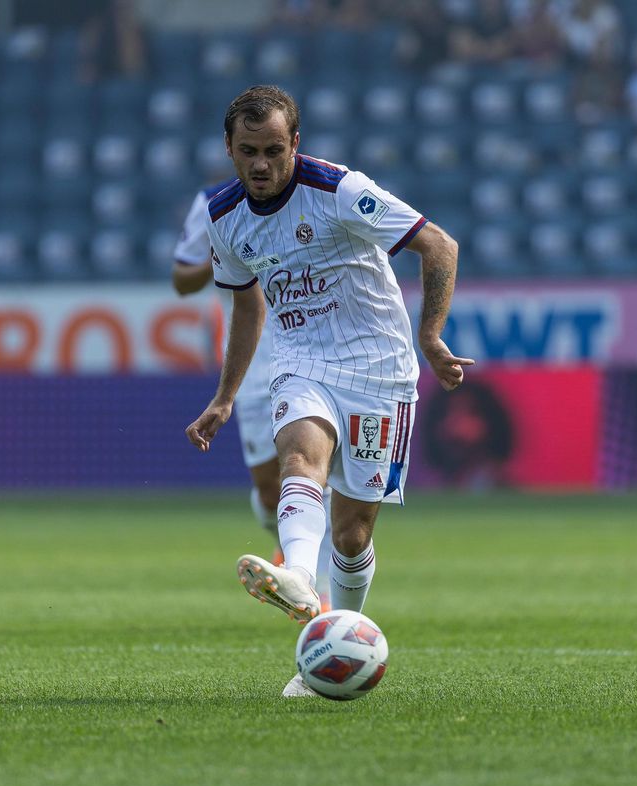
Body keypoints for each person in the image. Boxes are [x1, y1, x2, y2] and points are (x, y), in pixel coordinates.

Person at [184, 85, 471, 697]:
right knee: (299, 457)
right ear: (229, 149)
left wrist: (430, 335)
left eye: (273, 150)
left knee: (353, 534)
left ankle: (329, 650)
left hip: (379, 368)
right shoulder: (223, 217)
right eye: (248, 151)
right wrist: (226, 396)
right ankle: (297, 576)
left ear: (295, 144)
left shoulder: (339, 189)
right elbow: (246, 307)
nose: (261, 164)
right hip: (300, 360)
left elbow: (439, 245)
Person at [172, 177, 333, 611]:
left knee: (313, 470)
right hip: (255, 363)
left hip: (313, 351)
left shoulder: (314, 194)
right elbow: (182, 279)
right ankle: (289, 548)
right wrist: (226, 253)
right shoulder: (214, 205)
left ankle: (316, 588)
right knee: (269, 492)